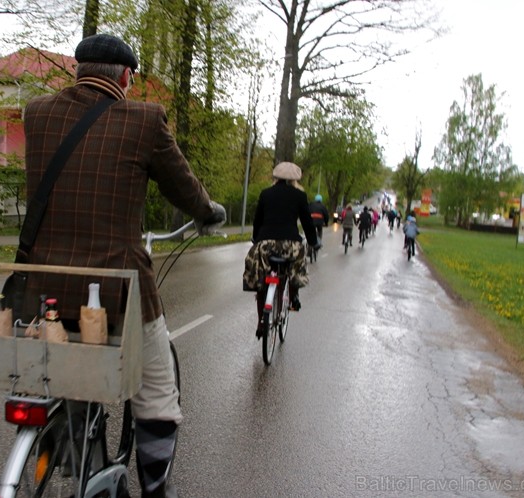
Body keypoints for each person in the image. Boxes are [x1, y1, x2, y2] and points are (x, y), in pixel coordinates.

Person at [21, 33, 226, 498]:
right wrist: (207, 210)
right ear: (127, 77)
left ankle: (60, 454)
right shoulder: (145, 119)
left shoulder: (36, 114)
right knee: (156, 393)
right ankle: (155, 489)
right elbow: (184, 188)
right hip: (116, 293)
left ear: (78, 70)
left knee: (55, 371)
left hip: (41, 288)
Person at [242, 162, 318, 337]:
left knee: (261, 278)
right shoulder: (299, 195)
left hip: (266, 244)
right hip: (290, 244)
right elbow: (307, 222)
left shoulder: (265, 194)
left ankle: (262, 322)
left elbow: (257, 220)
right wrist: (313, 242)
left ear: (275, 177)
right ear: (294, 179)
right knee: (296, 266)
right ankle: (293, 298)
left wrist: (256, 239)